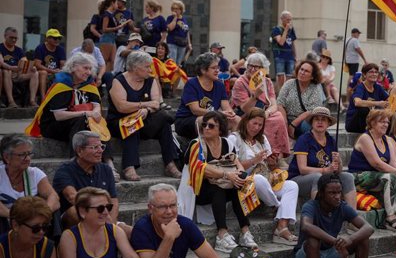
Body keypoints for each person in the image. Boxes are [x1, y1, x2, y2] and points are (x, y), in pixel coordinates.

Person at [295, 173, 376, 258]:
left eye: (339, 192)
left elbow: (368, 228)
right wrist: (337, 243)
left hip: (330, 255)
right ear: (321, 194)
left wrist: (350, 240)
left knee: (363, 239)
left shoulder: (342, 207)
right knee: (313, 240)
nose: (337, 196)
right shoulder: (311, 206)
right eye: (332, 193)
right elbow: (306, 226)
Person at [26, 53, 116, 173]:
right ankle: (76, 162)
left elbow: (96, 106)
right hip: (54, 126)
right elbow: (59, 116)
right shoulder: (61, 84)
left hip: (79, 124)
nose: (89, 72)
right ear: (73, 67)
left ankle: (110, 165)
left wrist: (94, 113)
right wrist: (86, 113)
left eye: (90, 69)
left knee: (99, 123)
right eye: (85, 68)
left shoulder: (89, 84)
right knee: (81, 120)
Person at [185, 111, 258, 251]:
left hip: (221, 186)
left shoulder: (226, 143)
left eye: (211, 126)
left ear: (220, 129)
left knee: (239, 187)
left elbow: (238, 164)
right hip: (198, 190)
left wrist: (240, 176)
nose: (206, 128)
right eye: (204, 125)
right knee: (218, 189)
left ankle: (245, 231)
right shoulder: (196, 144)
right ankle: (221, 234)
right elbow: (201, 169)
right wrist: (226, 175)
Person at [107, 51, 181, 181]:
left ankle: (170, 164)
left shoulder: (150, 80)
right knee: (135, 123)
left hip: (145, 119)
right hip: (118, 122)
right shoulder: (118, 81)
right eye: (147, 66)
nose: (150, 70)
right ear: (135, 67)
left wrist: (147, 110)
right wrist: (145, 105)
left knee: (164, 125)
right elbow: (122, 107)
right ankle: (129, 167)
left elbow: (156, 104)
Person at [231, 108, 299, 245]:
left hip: (266, 180)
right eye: (254, 123)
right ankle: (278, 205)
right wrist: (253, 161)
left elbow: (269, 166)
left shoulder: (262, 140)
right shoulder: (234, 138)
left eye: (260, 125)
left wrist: (273, 163)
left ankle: (281, 228)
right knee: (257, 179)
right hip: (245, 182)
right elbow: (232, 167)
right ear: (245, 121)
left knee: (292, 186)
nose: (256, 128)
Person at [348, 110, 396, 230]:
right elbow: (377, 164)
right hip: (358, 177)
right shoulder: (365, 138)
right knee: (391, 176)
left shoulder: (387, 139)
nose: (385, 125)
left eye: (387, 122)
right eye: (381, 122)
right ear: (371, 123)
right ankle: (390, 217)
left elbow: (393, 162)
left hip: (378, 177)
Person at [288, 107, 356, 207]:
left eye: (323, 119)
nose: (320, 122)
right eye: (316, 119)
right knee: (317, 176)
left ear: (328, 123)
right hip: (298, 180)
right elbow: (302, 169)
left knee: (348, 177)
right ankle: (317, 215)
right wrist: (325, 170)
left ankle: (352, 217)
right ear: (311, 123)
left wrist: (339, 162)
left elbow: (337, 171)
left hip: (324, 177)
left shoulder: (331, 140)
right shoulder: (303, 139)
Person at [52, 131, 120, 227]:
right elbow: (73, 198)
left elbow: (113, 201)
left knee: (130, 232)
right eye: (95, 147)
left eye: (101, 146)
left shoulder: (106, 169)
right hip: (78, 218)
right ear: (79, 151)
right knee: (75, 211)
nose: (100, 150)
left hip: (103, 216)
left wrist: (111, 225)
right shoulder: (65, 170)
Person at [231, 52, 290, 159]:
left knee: (279, 117)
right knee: (263, 122)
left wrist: (267, 112)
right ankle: (266, 154)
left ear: (263, 69)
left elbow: (273, 104)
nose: (252, 69)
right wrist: (255, 96)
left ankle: (277, 154)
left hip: (263, 111)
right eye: (250, 66)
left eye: (256, 67)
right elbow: (245, 109)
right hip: (247, 114)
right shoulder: (240, 82)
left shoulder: (267, 81)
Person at [0, 135, 59, 230]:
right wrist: (16, 217)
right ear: (7, 157)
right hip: (7, 220)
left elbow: (53, 197)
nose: (27, 159)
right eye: (22, 155)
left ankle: (52, 243)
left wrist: (43, 213)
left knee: (53, 212)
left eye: (29, 154)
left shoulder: (34, 173)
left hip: (32, 222)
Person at [175, 52, 239, 140]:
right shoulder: (192, 84)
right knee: (207, 121)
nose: (217, 70)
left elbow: (226, 107)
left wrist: (231, 114)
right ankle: (204, 150)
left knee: (236, 120)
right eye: (213, 68)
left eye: (218, 67)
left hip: (214, 117)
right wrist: (219, 114)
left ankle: (231, 149)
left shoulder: (220, 85)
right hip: (187, 120)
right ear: (203, 70)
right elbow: (195, 110)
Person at [277, 59, 325, 139]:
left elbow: (311, 110)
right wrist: (284, 122)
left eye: (306, 71)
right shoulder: (289, 83)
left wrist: (293, 124)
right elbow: (280, 103)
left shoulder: (315, 88)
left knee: (307, 126)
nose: (302, 72)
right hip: (286, 118)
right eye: (301, 69)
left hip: (302, 121)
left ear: (312, 76)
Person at [1, 26, 38, 108]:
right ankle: (11, 101)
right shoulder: (1, 48)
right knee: (7, 71)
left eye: (15, 38)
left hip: (17, 74)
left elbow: (24, 62)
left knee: (35, 73)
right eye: (11, 37)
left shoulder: (19, 50)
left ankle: (32, 101)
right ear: (5, 36)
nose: (14, 40)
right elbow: (2, 63)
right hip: (6, 74)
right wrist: (12, 68)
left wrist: (31, 67)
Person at [345, 63, 388, 133]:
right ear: (364, 75)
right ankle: (368, 133)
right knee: (364, 109)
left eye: (376, 72)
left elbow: (388, 101)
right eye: (371, 72)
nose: (374, 74)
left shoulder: (378, 87)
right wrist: (378, 103)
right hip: (354, 123)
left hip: (370, 121)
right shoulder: (360, 87)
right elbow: (357, 102)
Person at [33, 29, 67, 101]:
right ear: (47, 38)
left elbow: (63, 65)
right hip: (42, 72)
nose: (57, 40)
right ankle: (43, 98)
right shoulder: (40, 48)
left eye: (59, 38)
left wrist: (60, 70)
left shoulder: (61, 49)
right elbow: (37, 64)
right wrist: (52, 71)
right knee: (43, 73)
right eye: (55, 38)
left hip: (55, 72)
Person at [271, 10, 297, 91]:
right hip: (280, 56)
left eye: (290, 19)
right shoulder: (276, 29)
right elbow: (281, 42)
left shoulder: (291, 30)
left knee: (289, 78)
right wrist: (285, 30)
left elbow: (292, 43)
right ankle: (279, 96)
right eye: (287, 19)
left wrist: (295, 56)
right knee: (281, 77)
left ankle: (286, 95)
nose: (289, 22)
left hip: (289, 56)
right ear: (282, 19)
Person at [98, 0, 123, 73]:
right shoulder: (106, 14)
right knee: (104, 59)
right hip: (107, 38)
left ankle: (108, 76)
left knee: (112, 60)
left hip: (112, 38)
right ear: (112, 3)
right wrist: (116, 28)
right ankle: (101, 77)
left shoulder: (112, 14)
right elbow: (104, 29)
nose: (117, 5)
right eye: (116, 3)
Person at [165, 0, 192, 66]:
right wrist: (175, 18)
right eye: (173, 8)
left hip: (182, 43)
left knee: (179, 64)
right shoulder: (170, 18)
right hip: (172, 43)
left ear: (181, 10)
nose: (175, 10)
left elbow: (187, 31)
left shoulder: (184, 19)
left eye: (176, 8)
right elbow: (170, 28)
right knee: (172, 62)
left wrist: (189, 43)